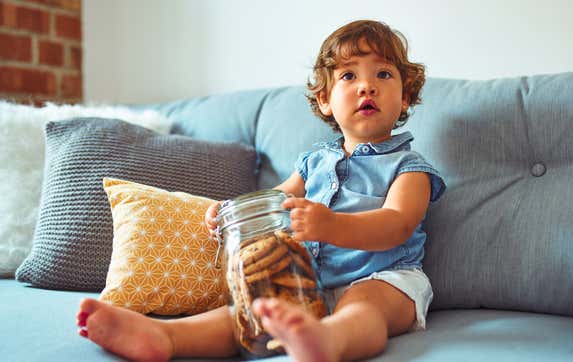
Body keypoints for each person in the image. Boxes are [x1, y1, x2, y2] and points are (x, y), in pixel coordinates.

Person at [76, 19, 446, 362]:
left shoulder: (409, 167)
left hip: (386, 279)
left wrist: (331, 226)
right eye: (349, 76)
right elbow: (274, 203)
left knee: (364, 307)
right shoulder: (313, 162)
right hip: (309, 282)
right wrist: (229, 212)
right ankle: (167, 336)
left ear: (406, 96)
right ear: (324, 101)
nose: (367, 85)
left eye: (383, 74)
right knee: (251, 314)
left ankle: (328, 342)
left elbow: (397, 224)